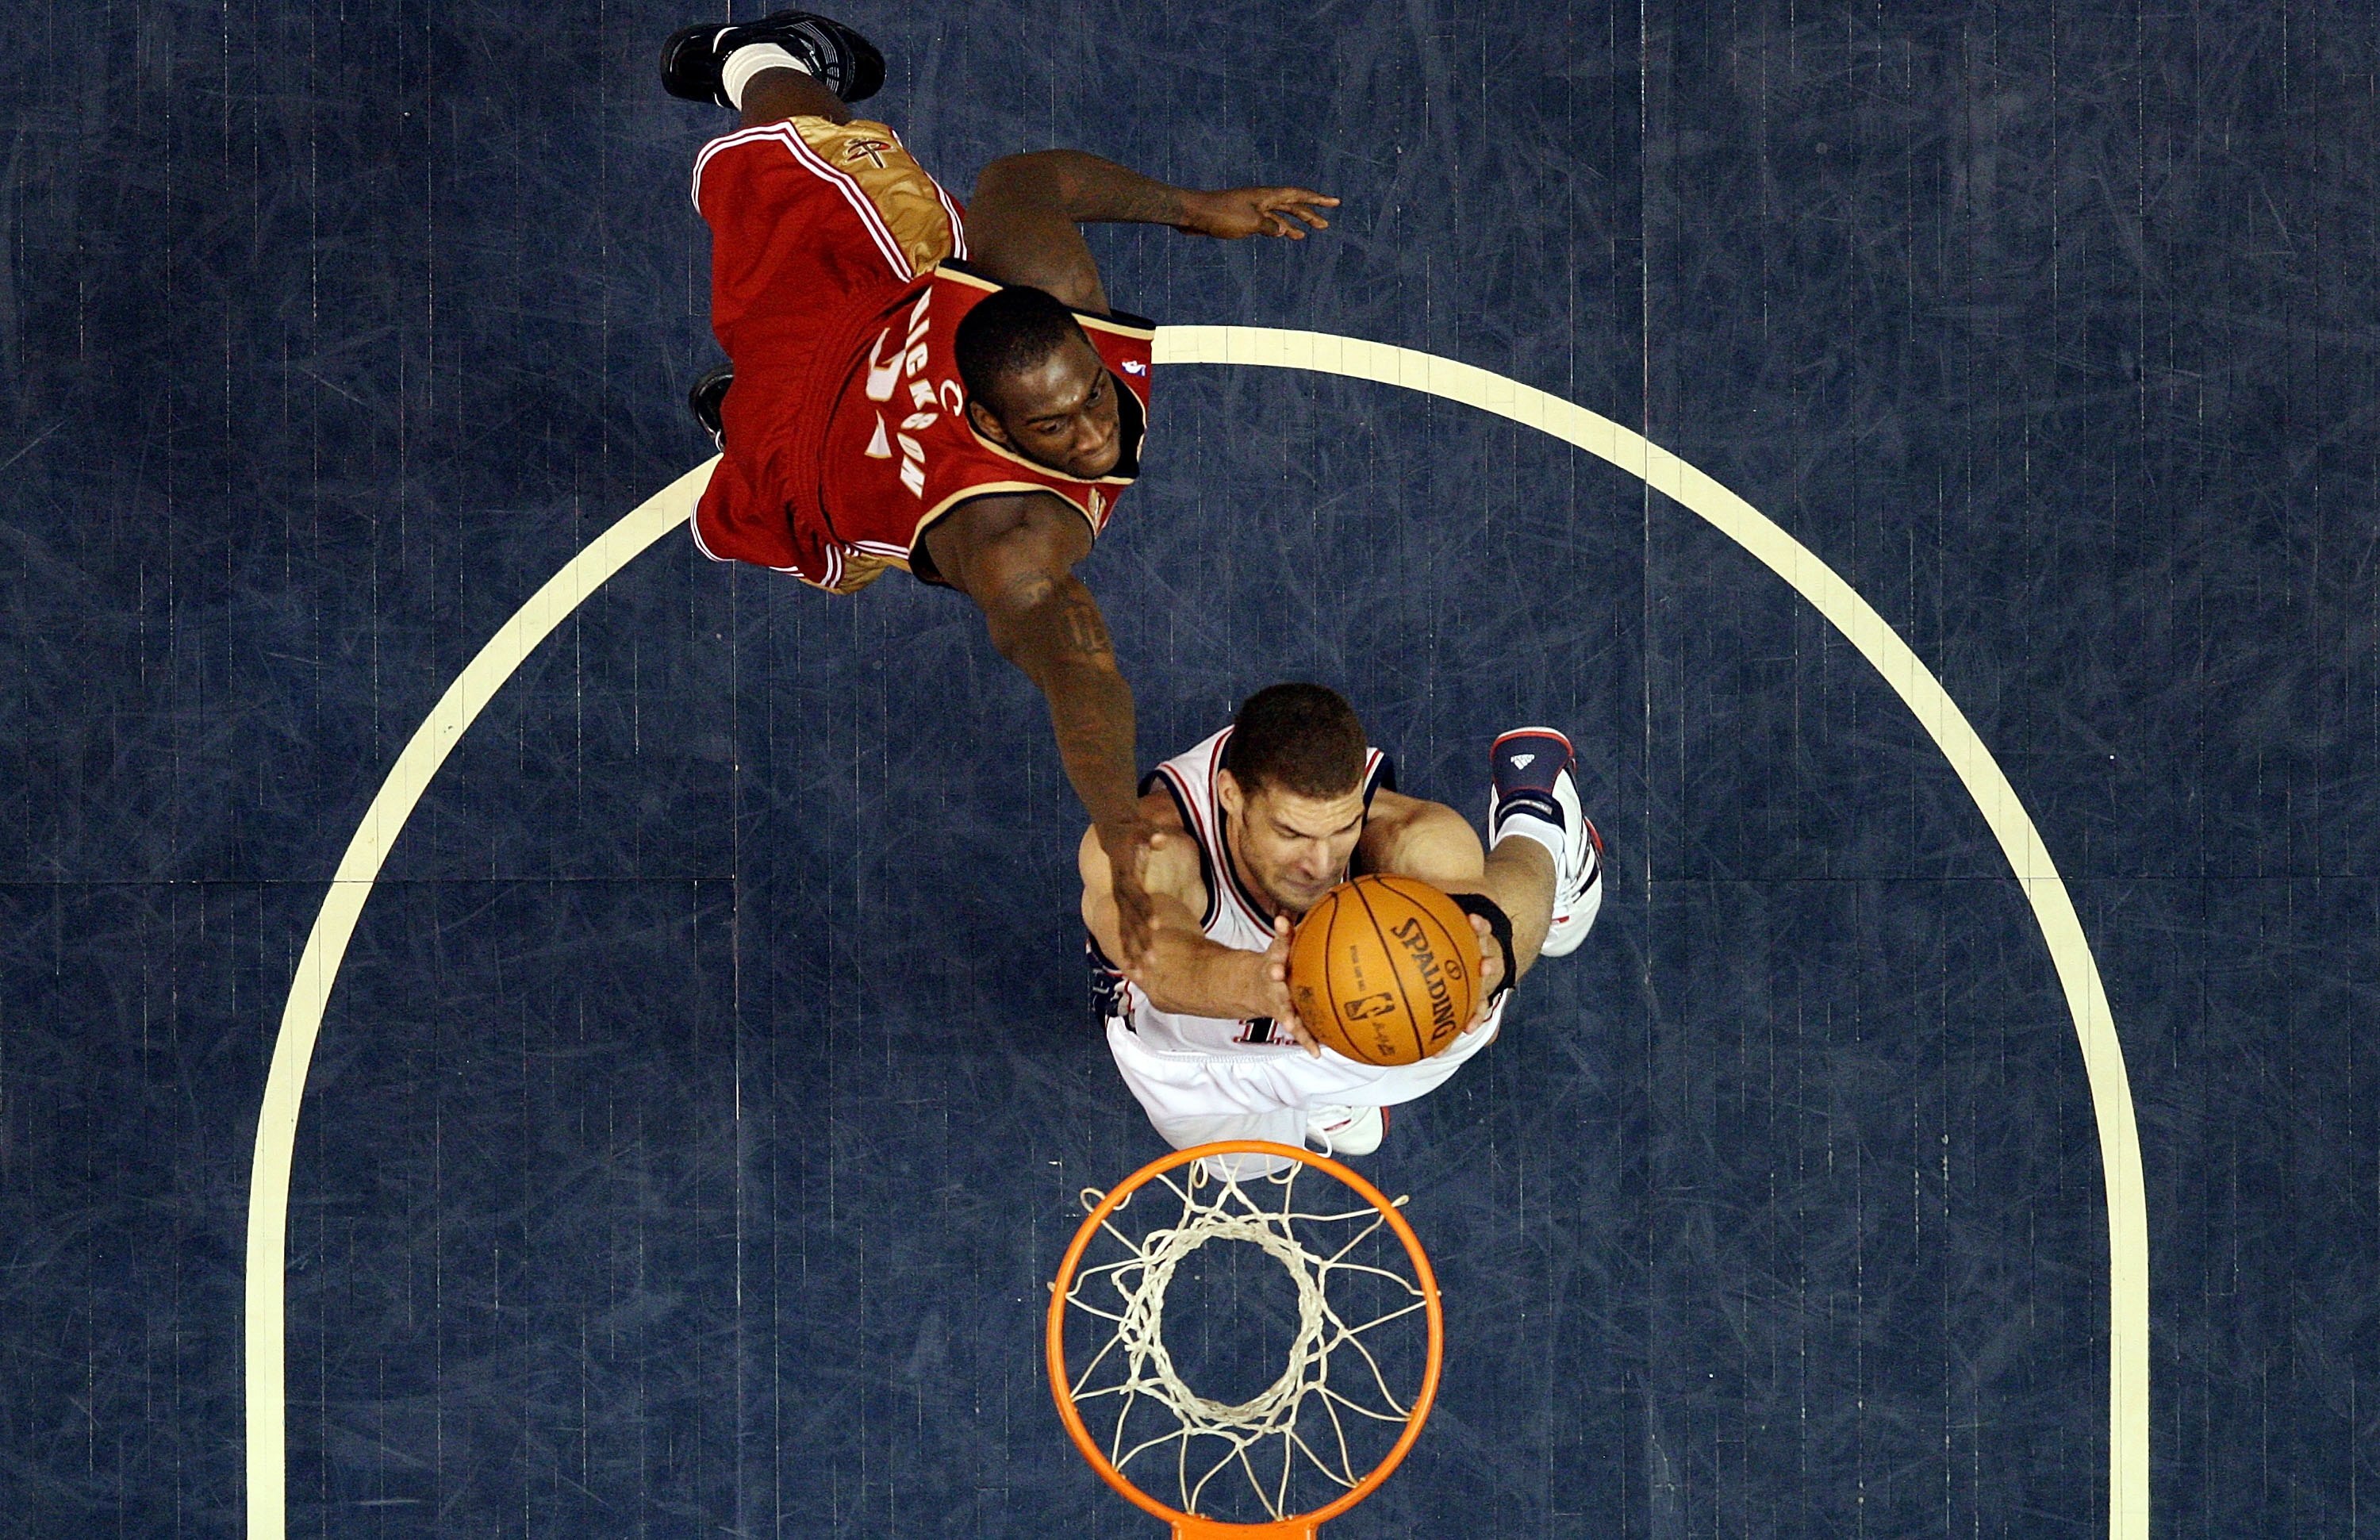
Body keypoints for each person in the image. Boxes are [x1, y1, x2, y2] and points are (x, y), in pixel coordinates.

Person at [662, 12, 1338, 959]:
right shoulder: (1010, 541)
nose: (1098, 433)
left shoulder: (1049, 289)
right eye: (1055, 427)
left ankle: (749, 397)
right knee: (824, 147)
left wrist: (1197, 208)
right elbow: (1080, 669)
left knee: (814, 175)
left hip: (821, 411)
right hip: (819, 421)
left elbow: (1021, 182)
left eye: (1094, 395)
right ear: (989, 424)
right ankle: (756, 53)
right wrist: (1115, 823)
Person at [1079, 684, 1606, 1174]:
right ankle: (1323, 1086)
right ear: (1230, 794)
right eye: (1292, 832)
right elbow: (1162, 962)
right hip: (1200, 1035)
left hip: (1353, 996)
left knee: (1477, 971)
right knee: (1245, 1162)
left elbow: (1477, 914)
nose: (1321, 862)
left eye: (1343, 828)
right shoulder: (1148, 846)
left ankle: (1538, 819)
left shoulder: (1408, 833)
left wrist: (1481, 958)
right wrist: (1261, 985)